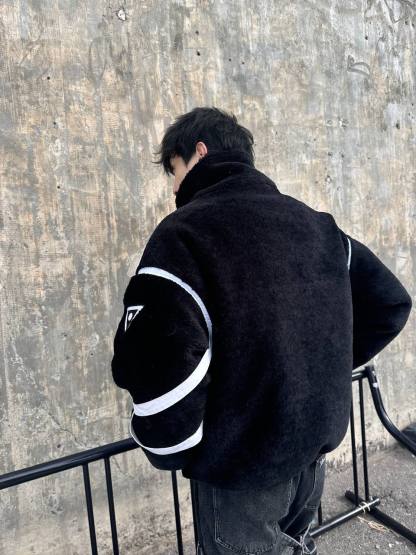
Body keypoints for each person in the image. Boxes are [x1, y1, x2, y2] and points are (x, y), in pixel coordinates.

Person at [111, 107, 412, 554]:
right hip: (310, 455)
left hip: (240, 470)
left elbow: (156, 356)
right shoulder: (316, 225)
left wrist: (171, 448)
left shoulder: (185, 235)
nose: (174, 188)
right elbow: (389, 303)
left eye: (174, 171)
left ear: (199, 152)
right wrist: (315, 369)